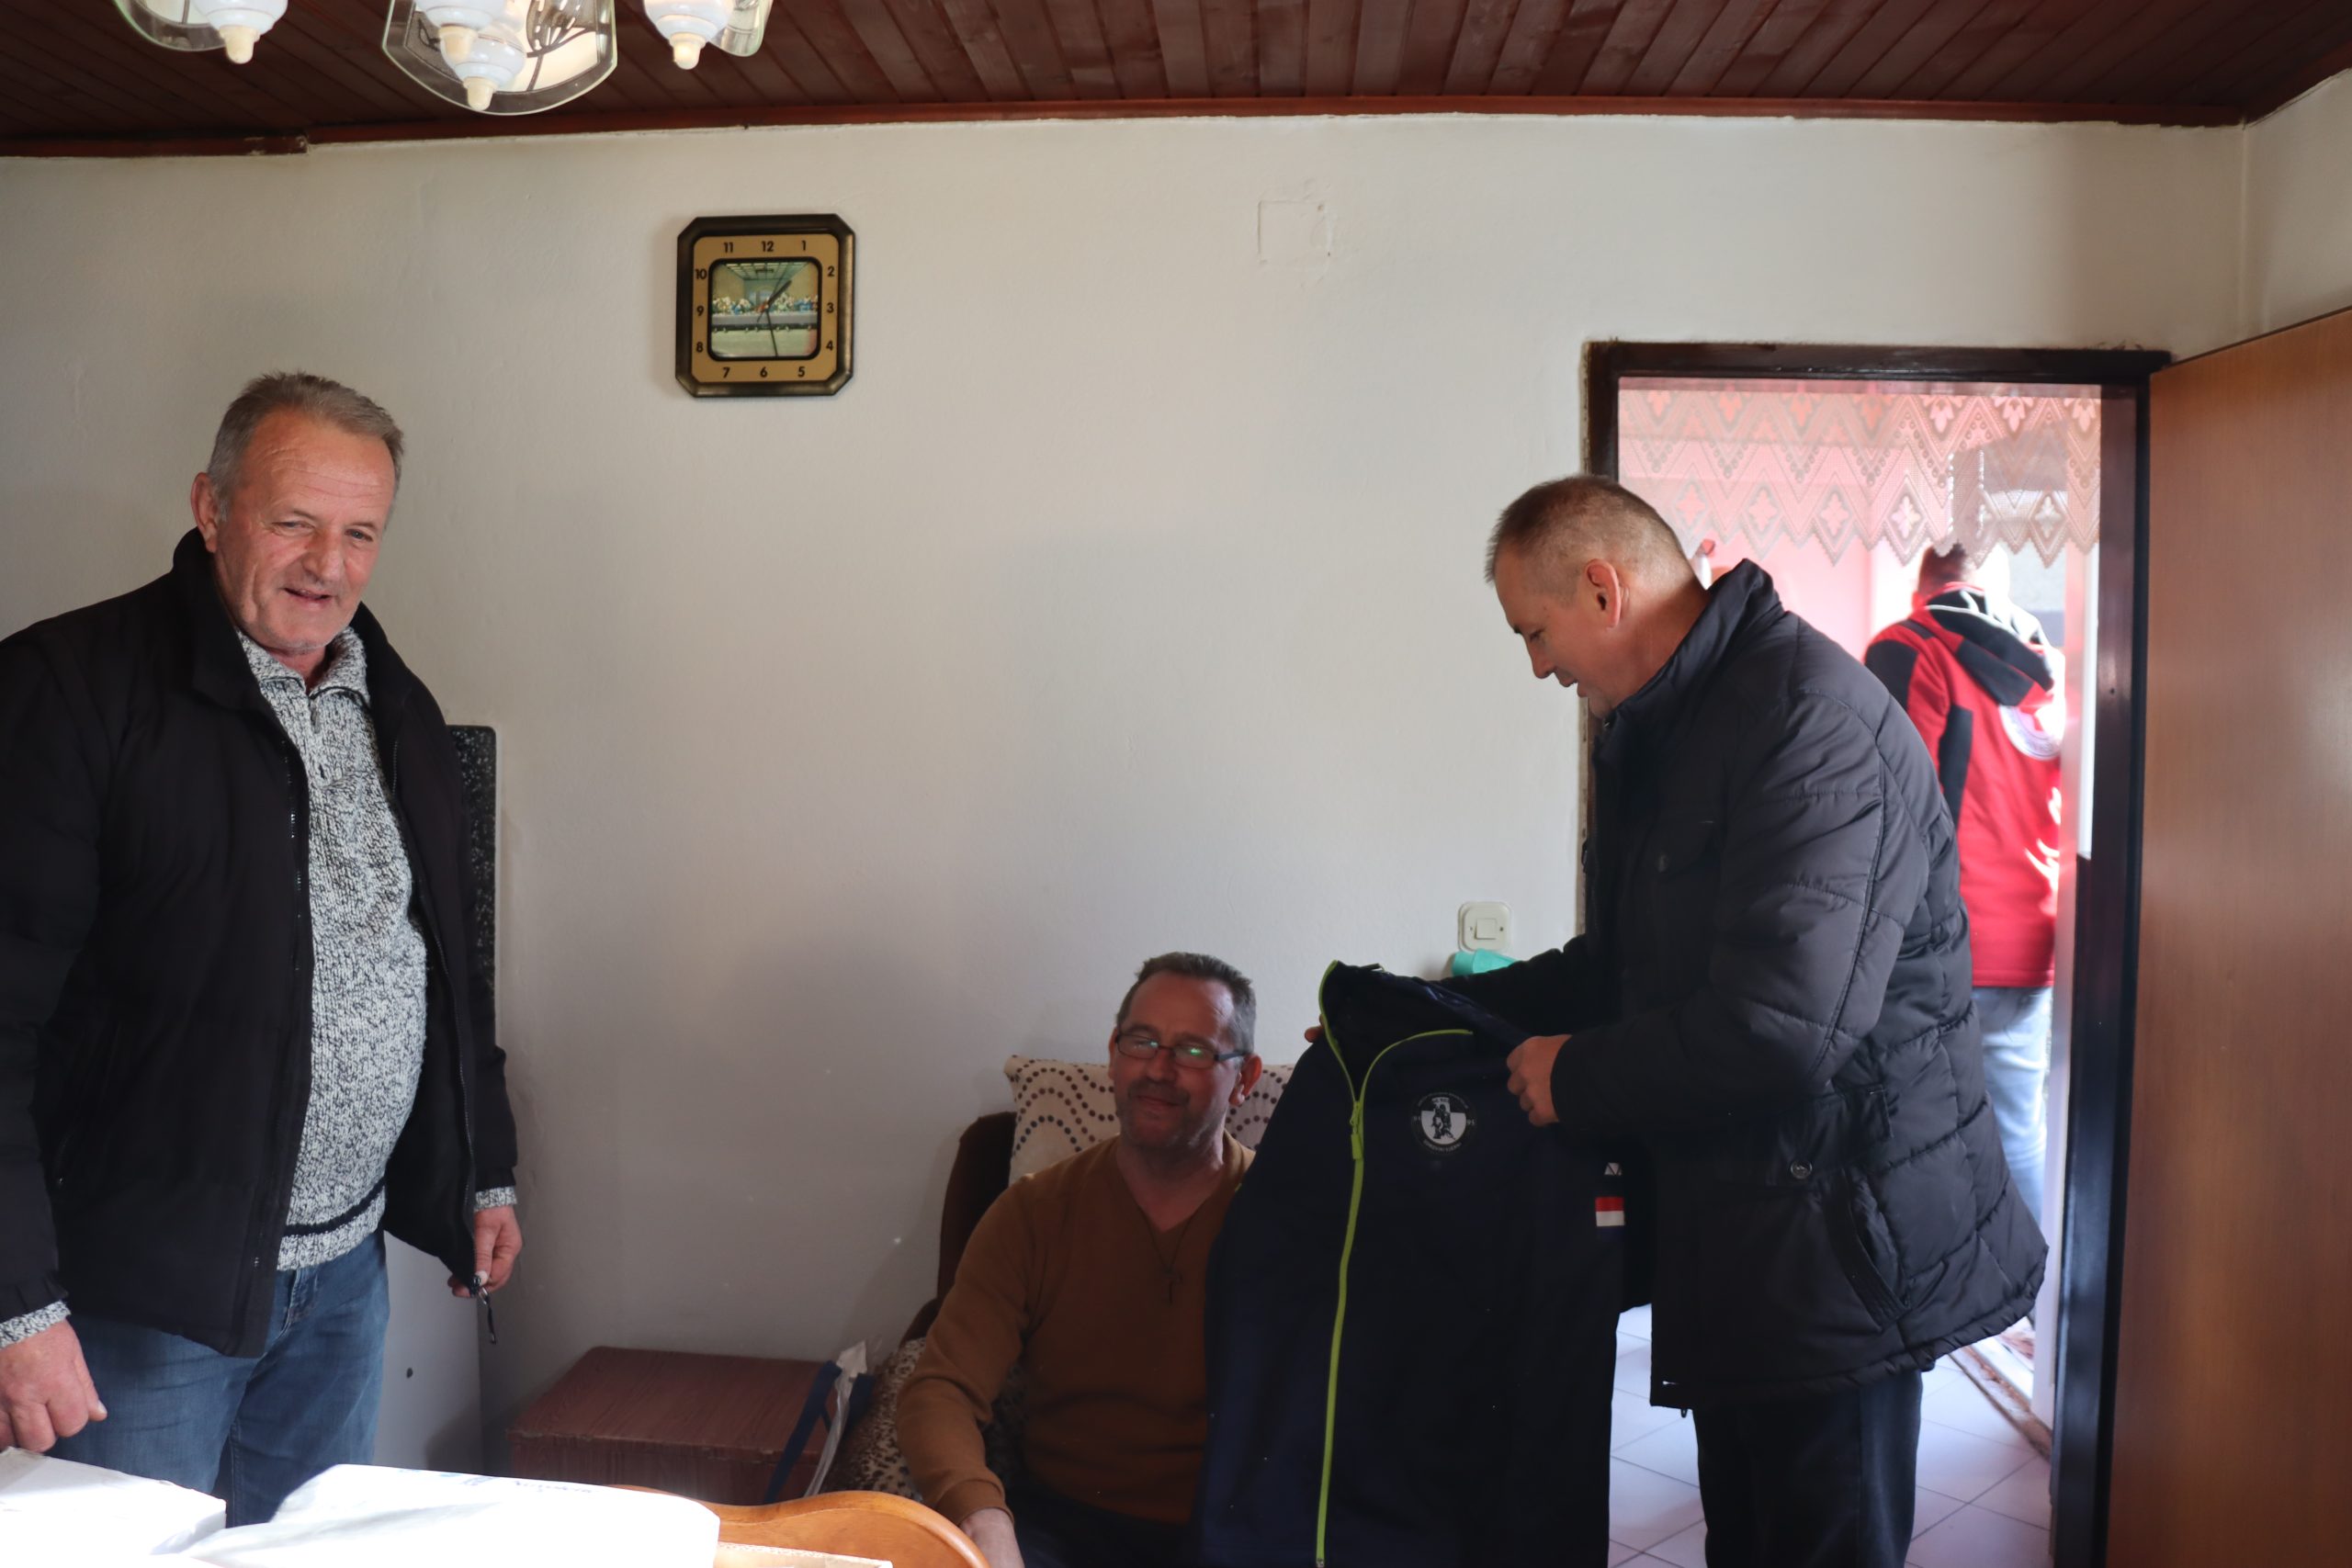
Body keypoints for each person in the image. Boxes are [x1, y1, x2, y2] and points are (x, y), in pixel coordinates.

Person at [1454, 477, 2043, 1568]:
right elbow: (1624, 967)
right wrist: (1434, 1020)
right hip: (1743, 1233)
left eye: (1534, 632)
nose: (1538, 666)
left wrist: (1572, 1077)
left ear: (1602, 590)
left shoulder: (1806, 719)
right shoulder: (1667, 728)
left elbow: (1783, 1027)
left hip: (1837, 1247)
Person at [0, 372, 522, 1524]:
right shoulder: (65, 691)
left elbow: (444, 963)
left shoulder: (392, 700)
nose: (327, 565)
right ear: (211, 507)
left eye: (359, 533)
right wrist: (16, 1310)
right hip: (141, 1304)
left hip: (342, 1282)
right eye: (294, 522)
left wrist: (481, 1167)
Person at [898, 953, 1263, 1568]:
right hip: (1059, 1527)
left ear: (1245, 1076)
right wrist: (984, 1520)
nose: (1159, 1068)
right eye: (1141, 1041)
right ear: (1114, 1053)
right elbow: (941, 1389)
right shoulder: (1034, 1212)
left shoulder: (1290, 1219)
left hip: (1233, 1528)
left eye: (1194, 1050)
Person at [1864, 544, 2063, 1229]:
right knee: (2018, 1132)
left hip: (1941, 940)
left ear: (1921, 587)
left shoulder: (1909, 647)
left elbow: (1886, 802)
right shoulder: (2048, 666)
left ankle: (1938, 1291)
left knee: (1914, 1134)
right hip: (2034, 941)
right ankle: (2029, 1287)